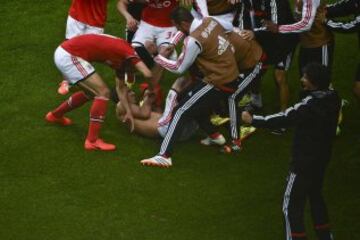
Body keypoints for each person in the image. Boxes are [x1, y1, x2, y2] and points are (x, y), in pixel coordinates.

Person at [242, 63, 340, 240]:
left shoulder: (309, 106)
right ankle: (326, 236)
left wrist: (253, 120)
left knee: (291, 206)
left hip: (303, 162)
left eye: (305, 77)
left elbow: (285, 117)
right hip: (322, 159)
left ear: (315, 83)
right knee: (316, 197)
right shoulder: (334, 98)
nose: (302, 79)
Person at [140, 7, 240, 167]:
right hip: (229, 74)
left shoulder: (193, 41)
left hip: (218, 81)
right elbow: (227, 28)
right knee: (189, 100)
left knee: (181, 110)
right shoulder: (210, 21)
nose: (177, 30)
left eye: (177, 26)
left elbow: (179, 68)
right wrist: (173, 43)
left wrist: (157, 56)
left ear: (185, 23)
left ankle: (164, 155)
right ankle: (215, 136)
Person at [45, 34, 152, 151]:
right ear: (137, 61)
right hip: (69, 56)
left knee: (91, 93)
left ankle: (55, 115)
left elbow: (120, 88)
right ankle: (92, 141)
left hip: (69, 53)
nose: (133, 72)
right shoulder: (128, 52)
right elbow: (147, 73)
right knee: (103, 93)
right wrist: (152, 89)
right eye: (136, 69)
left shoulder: (124, 61)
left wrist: (129, 112)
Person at [116, 76, 200, 140]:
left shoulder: (133, 111)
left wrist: (154, 104)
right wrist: (147, 100)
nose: (133, 93)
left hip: (179, 131)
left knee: (191, 95)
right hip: (169, 128)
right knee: (180, 82)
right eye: (129, 92)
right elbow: (145, 114)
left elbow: (158, 115)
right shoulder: (121, 105)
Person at [59, 0, 109, 95]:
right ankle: (66, 81)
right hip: (77, 15)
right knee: (69, 49)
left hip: (96, 20)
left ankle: (80, 79)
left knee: (88, 53)